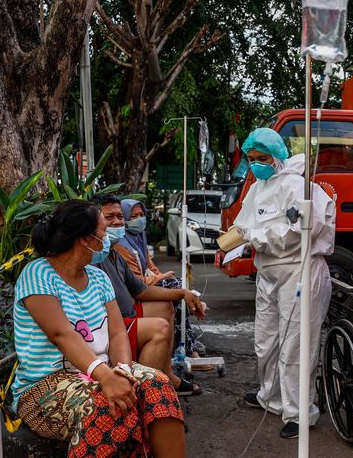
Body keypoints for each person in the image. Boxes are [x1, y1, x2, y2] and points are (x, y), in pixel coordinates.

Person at [11, 199, 185, 457]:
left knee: (158, 386)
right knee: (108, 406)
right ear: (85, 239)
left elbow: (116, 332)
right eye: (103, 232)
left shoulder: (98, 277)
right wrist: (105, 377)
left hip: (102, 371)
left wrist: (124, 370)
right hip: (44, 385)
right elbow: (61, 334)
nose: (107, 237)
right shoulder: (38, 274)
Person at [233, 128, 336, 439]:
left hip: (298, 270)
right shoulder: (257, 188)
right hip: (267, 272)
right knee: (266, 341)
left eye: (260, 158)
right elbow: (242, 224)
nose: (255, 165)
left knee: (296, 345)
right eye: (250, 159)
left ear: (277, 156)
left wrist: (257, 237)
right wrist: (234, 243)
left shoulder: (300, 187)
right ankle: (270, 396)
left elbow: (305, 229)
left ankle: (299, 412)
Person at [92, 193, 203, 395]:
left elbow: (141, 290)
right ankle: (148, 394)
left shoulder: (114, 253)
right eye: (110, 218)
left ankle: (166, 373)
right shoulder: (92, 255)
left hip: (125, 316)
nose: (118, 222)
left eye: (120, 216)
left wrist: (182, 293)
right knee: (159, 328)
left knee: (164, 305)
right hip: (109, 325)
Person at [116, 198, 207, 366]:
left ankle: (186, 347)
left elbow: (150, 265)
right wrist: (161, 278)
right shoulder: (120, 245)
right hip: (132, 296)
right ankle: (189, 348)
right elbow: (137, 282)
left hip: (143, 287)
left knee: (175, 290)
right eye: (133, 216)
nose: (139, 219)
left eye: (142, 215)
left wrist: (162, 276)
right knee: (176, 289)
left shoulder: (138, 238)